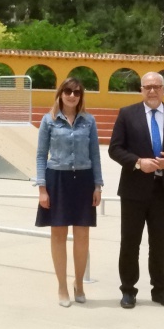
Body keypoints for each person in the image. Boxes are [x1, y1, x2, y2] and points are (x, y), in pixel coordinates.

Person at [108, 72, 164, 309]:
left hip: (163, 190)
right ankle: (128, 290)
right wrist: (138, 162)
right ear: (141, 89)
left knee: (159, 243)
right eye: (148, 87)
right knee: (130, 242)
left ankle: (159, 289)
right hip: (134, 189)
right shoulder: (127, 114)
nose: (152, 91)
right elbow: (115, 149)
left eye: (157, 87)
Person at [34, 77, 104, 308]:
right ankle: (62, 285)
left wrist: (97, 185)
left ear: (81, 96)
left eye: (76, 92)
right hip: (58, 179)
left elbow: (95, 154)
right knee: (58, 235)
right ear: (60, 93)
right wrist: (42, 189)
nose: (72, 96)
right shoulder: (49, 120)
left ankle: (79, 284)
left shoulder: (89, 121)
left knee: (82, 236)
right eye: (68, 91)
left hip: (83, 179)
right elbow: (40, 155)